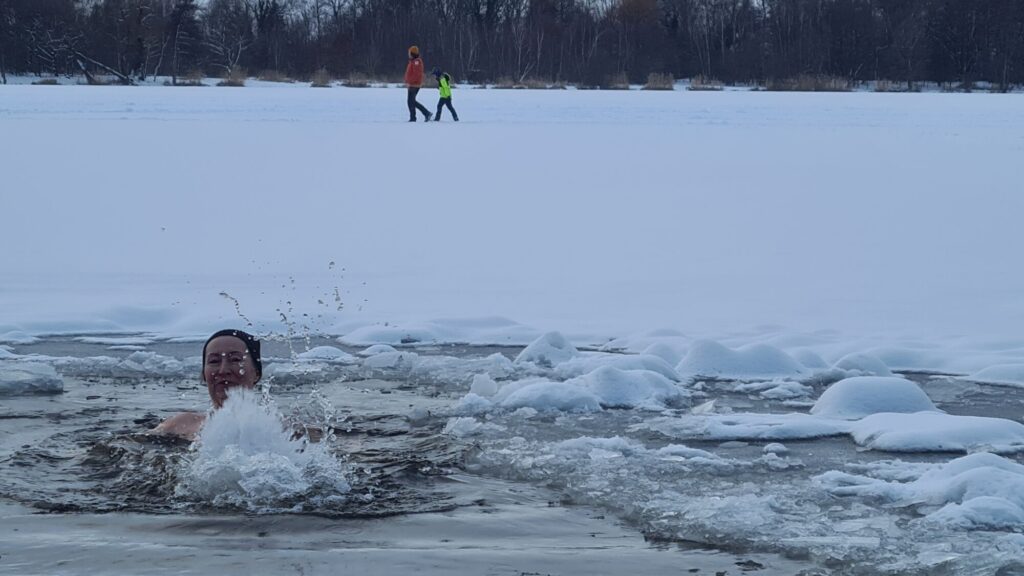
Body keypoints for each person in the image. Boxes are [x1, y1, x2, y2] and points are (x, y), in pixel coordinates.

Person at [150, 328, 262, 440]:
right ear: (204, 374)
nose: (223, 370)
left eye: (235, 359)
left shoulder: (274, 429)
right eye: (214, 361)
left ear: (256, 373)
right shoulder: (180, 425)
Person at [404, 45, 431, 122]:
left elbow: (417, 74)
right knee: (410, 102)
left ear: (412, 53)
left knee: (411, 101)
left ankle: (426, 113)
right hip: (412, 84)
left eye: (409, 52)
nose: (408, 54)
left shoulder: (416, 62)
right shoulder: (413, 61)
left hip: (414, 85)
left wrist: (410, 82)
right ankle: (414, 117)